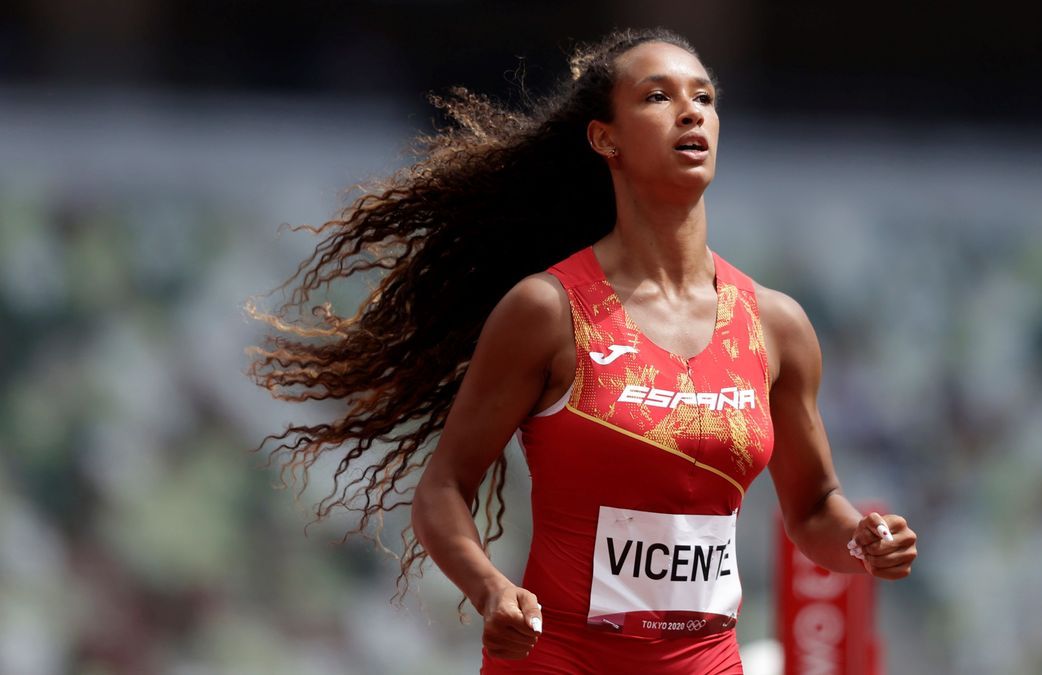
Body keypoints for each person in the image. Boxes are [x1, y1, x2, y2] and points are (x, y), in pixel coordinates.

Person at [248, 27, 916, 674]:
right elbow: (444, 487)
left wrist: (861, 538)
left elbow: (812, 506)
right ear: (606, 138)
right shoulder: (548, 311)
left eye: (705, 97)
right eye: (658, 97)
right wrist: (489, 588)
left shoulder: (776, 325)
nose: (692, 111)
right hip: (561, 661)